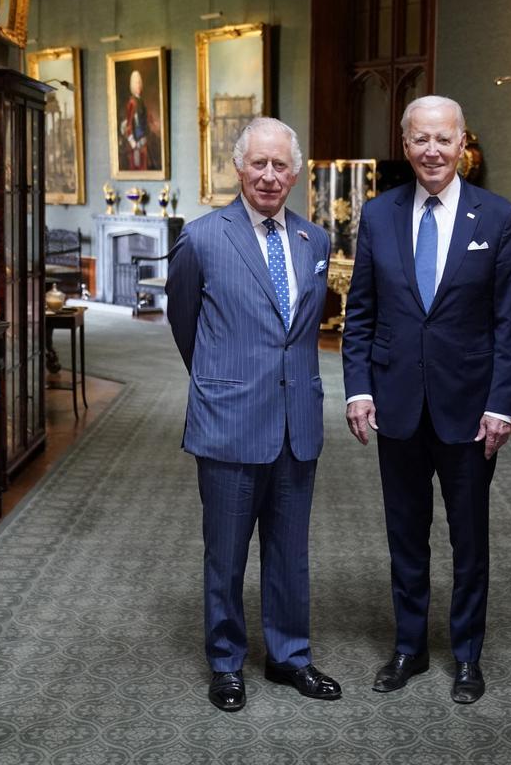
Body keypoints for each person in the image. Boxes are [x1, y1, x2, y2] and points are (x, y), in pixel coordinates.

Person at [341, 95, 511, 704]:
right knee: (405, 534)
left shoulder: (496, 218)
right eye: (420, 139)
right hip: (396, 406)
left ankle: (467, 654)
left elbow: (509, 324)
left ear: (462, 142)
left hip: (471, 413)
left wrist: (503, 403)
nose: (432, 151)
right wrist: (359, 389)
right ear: (405, 142)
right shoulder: (379, 214)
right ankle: (410, 647)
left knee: (468, 539)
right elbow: (361, 314)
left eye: (443, 139)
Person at [166, 117, 339, 712]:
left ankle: (290, 657)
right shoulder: (203, 238)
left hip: (298, 421)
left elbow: (305, 331)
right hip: (229, 421)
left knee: (291, 552)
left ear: (295, 173)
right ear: (238, 168)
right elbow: (184, 322)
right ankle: (226, 662)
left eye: (280, 166)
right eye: (258, 164)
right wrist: (223, 380)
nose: (269, 175)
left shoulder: (315, 242)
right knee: (227, 552)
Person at [119, 69, 158, 171]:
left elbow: (146, 117)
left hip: (143, 141)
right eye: (136, 83)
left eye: (140, 82)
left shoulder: (141, 101)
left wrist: (153, 123)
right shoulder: (132, 102)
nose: (139, 85)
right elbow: (129, 124)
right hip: (135, 144)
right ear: (132, 85)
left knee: (145, 166)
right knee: (137, 167)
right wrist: (133, 142)